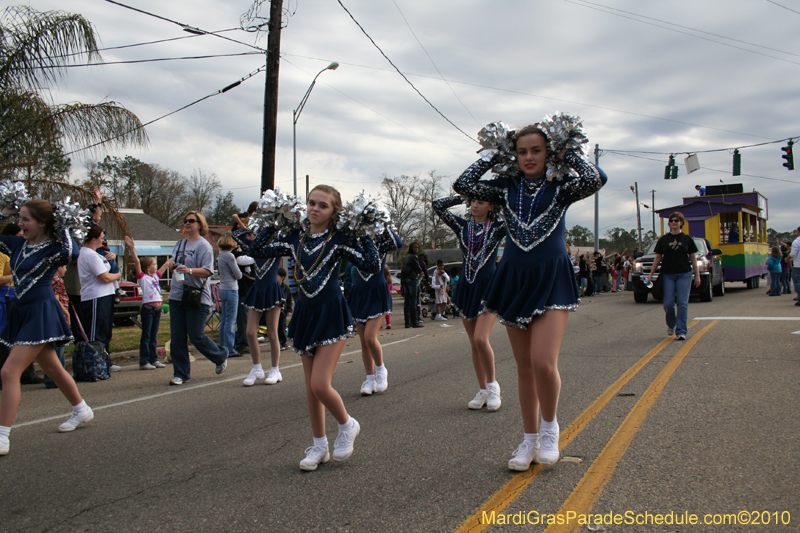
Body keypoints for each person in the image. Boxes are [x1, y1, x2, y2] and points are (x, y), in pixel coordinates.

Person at [453, 122, 606, 470]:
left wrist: (568, 154)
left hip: (551, 276)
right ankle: (529, 438)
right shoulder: (505, 188)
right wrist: (493, 157)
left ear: (548, 152)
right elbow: (463, 185)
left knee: (542, 361)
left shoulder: (561, 186)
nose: (529, 157)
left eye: (536, 150)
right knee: (524, 366)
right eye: (522, 151)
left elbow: (596, 178)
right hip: (514, 278)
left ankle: (550, 429)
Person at [247, 185, 379, 471]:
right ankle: (319, 446)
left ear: (334, 212)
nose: (315, 208)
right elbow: (256, 249)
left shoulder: (340, 239)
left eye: (323, 205)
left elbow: (371, 263)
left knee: (320, 383)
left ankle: (347, 424)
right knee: (310, 387)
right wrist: (272, 220)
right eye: (311, 203)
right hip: (305, 314)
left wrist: (364, 230)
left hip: (332, 313)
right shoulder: (295, 237)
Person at [0, 199, 93, 456]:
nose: (20, 223)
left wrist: (64, 224)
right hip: (22, 311)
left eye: (25, 219)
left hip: (40, 311)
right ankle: (81, 409)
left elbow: (72, 253)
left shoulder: (53, 248)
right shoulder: (18, 244)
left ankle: (2, 434)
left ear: (42, 222)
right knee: (53, 368)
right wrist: (3, 211)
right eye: (19, 218)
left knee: (9, 372)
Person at [433, 191, 506, 411]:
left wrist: (502, 195)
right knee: (474, 343)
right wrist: (463, 195)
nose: (474, 205)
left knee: (481, 339)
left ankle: (493, 387)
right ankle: (482, 390)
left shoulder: (498, 227)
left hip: (488, 287)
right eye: (472, 201)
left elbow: (516, 214)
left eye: (480, 201)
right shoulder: (463, 226)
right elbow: (438, 205)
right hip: (467, 286)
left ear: (491, 206)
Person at [167, 212, 229, 386]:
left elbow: (208, 271)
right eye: (185, 221)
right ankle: (181, 373)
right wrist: (172, 265)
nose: (187, 223)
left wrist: (189, 271)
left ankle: (220, 355)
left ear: (200, 224)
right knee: (177, 337)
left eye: (191, 221)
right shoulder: (180, 244)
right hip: (177, 295)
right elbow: (174, 263)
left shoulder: (204, 246)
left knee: (196, 336)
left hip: (197, 297)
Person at [347, 227, 402, 396]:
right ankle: (369, 379)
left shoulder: (380, 243)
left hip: (377, 293)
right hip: (359, 294)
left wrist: (382, 223)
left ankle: (380, 370)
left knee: (370, 337)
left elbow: (398, 242)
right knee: (364, 342)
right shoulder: (353, 244)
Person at [231, 215, 285, 387]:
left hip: (272, 290)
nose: (260, 232)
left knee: (272, 333)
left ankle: (275, 369)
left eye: (263, 229)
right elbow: (236, 235)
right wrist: (246, 224)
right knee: (249, 332)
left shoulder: (277, 247)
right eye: (259, 230)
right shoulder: (254, 247)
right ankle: (257, 368)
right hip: (257, 290)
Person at [645, 212, 701, 341]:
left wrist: (697, 275)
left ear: (681, 223)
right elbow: (658, 257)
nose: (674, 222)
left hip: (684, 274)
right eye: (671, 221)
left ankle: (681, 331)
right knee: (668, 304)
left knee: (682, 303)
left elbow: (693, 257)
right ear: (669, 224)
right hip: (668, 274)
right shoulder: (664, 239)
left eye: (676, 220)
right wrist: (651, 274)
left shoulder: (687, 239)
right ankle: (671, 324)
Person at [78, 225, 122, 373]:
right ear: (93, 239)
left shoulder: (96, 254)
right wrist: (118, 275)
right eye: (101, 238)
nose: (103, 241)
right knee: (96, 332)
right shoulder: (88, 254)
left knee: (105, 330)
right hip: (95, 297)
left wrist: (112, 258)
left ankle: (104, 361)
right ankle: (93, 363)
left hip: (106, 295)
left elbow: (108, 269)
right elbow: (104, 277)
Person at [124, 236, 169, 370]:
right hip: (148, 309)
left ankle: (153, 359)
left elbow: (166, 265)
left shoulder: (155, 276)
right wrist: (132, 248)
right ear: (147, 267)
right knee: (147, 335)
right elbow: (137, 262)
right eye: (154, 264)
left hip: (157, 310)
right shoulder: (143, 278)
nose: (157, 266)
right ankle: (144, 361)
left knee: (154, 336)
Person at [43, 265, 70, 388]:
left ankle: (50, 377)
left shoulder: (45, 279)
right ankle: (57, 378)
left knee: (50, 347)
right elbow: (56, 300)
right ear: (58, 268)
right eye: (64, 267)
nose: (66, 269)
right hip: (57, 316)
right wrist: (66, 313)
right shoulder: (57, 281)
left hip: (47, 316)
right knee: (58, 347)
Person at [216, 233, 243, 358]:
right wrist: (235, 274)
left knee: (224, 320)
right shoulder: (230, 255)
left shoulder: (220, 255)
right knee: (231, 321)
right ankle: (230, 348)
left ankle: (223, 346)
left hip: (223, 288)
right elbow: (239, 275)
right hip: (231, 289)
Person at [400, 242, 424, 328]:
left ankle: (407, 322)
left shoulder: (407, 256)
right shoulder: (414, 257)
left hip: (405, 279)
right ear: (411, 248)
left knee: (407, 302)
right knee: (413, 301)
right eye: (415, 247)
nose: (416, 249)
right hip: (411, 279)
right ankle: (414, 322)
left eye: (417, 247)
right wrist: (421, 272)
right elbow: (417, 267)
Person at [277, 268, 293, 350]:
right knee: (276, 328)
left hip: (283, 311)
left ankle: (283, 342)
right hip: (275, 311)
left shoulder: (285, 288)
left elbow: (289, 300)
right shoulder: (273, 287)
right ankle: (278, 343)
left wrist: (289, 310)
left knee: (282, 327)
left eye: (277, 276)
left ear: (282, 277)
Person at [383, 264, 393, 329]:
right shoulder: (389, 280)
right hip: (388, 295)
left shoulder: (381, 280)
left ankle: (379, 324)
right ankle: (388, 323)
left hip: (382, 295)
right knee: (387, 310)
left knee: (380, 311)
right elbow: (391, 288)